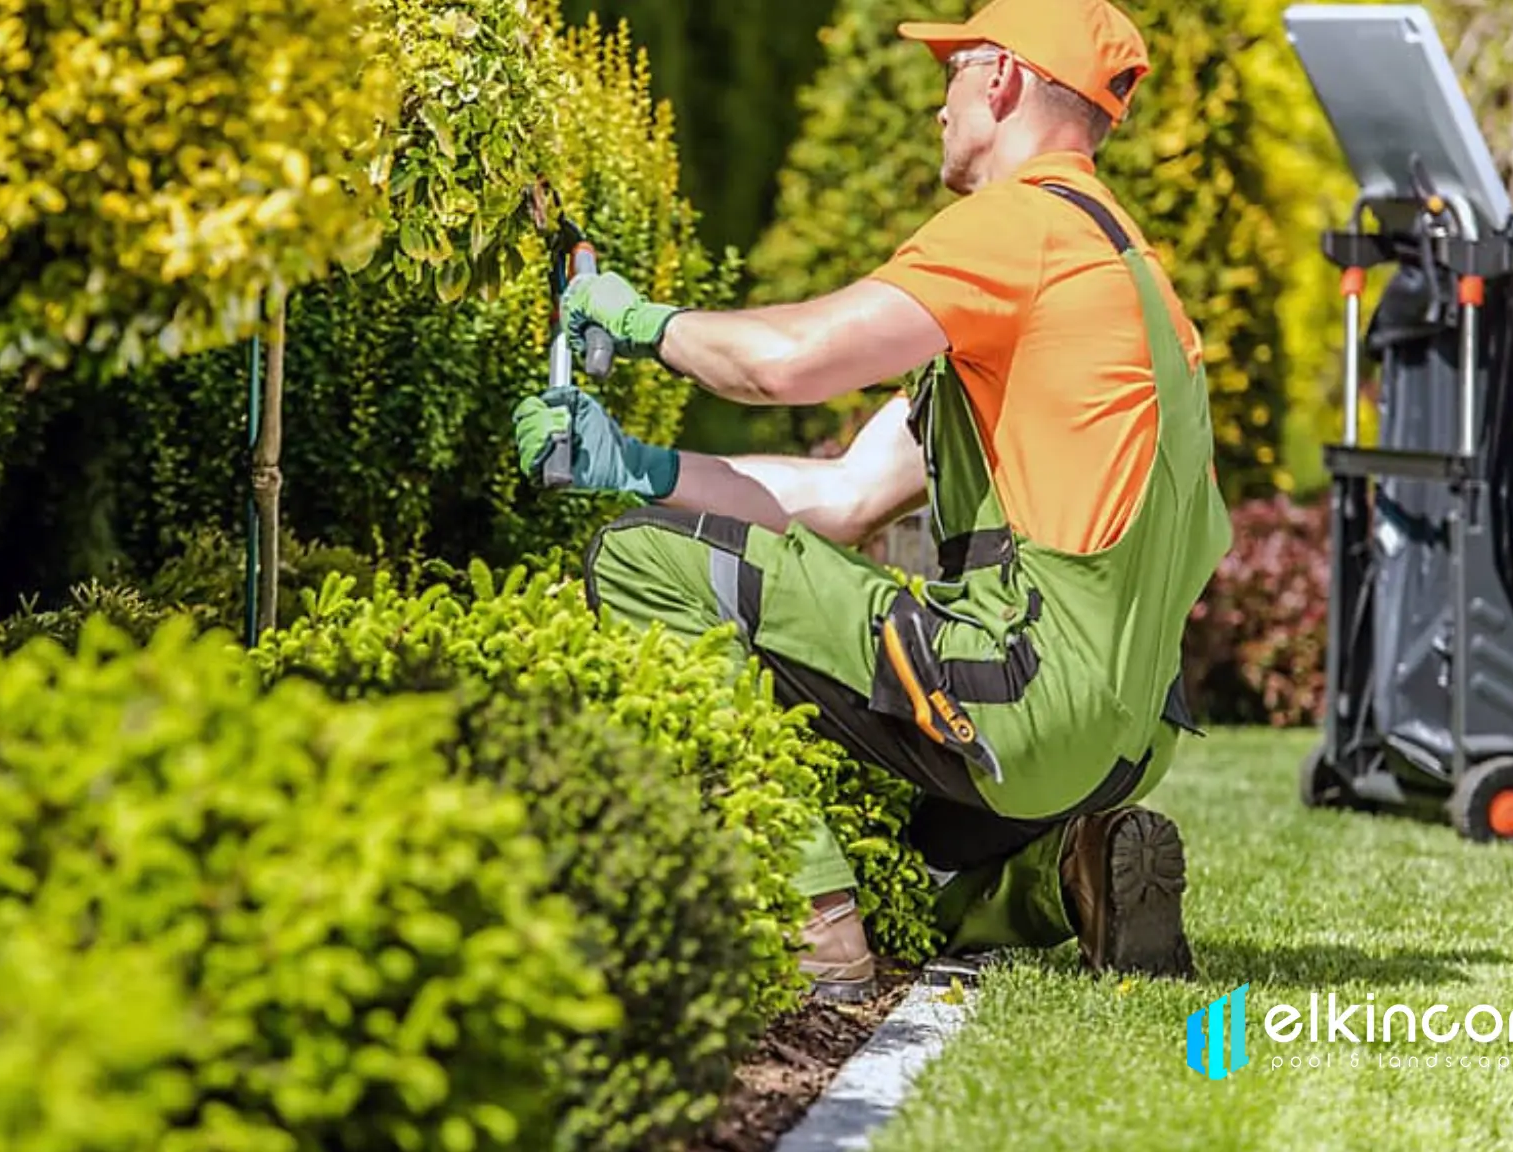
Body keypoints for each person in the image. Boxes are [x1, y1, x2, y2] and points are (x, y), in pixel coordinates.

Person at [512, 0, 1232, 1001]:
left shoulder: (1018, 227)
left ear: (1000, 78)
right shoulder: (1126, 277)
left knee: (635, 560)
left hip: (1022, 695)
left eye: (949, 74)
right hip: (1119, 738)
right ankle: (1060, 875)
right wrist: (635, 466)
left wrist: (639, 320)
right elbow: (846, 496)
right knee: (896, 846)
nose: (937, 105)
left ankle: (810, 932)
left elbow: (783, 365)